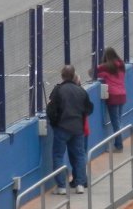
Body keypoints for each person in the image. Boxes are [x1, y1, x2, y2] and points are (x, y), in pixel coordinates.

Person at [46, 65, 93, 195]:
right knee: (79, 155)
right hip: (77, 128)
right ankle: (80, 184)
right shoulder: (81, 91)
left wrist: (55, 123)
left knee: (58, 156)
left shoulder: (58, 90)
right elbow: (89, 109)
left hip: (62, 128)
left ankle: (61, 186)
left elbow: (51, 110)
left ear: (62, 76)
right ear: (73, 76)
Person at [94, 47, 126, 152]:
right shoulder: (121, 65)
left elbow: (93, 72)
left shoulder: (105, 67)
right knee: (119, 120)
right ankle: (118, 143)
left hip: (113, 96)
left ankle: (119, 145)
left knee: (115, 122)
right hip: (122, 94)